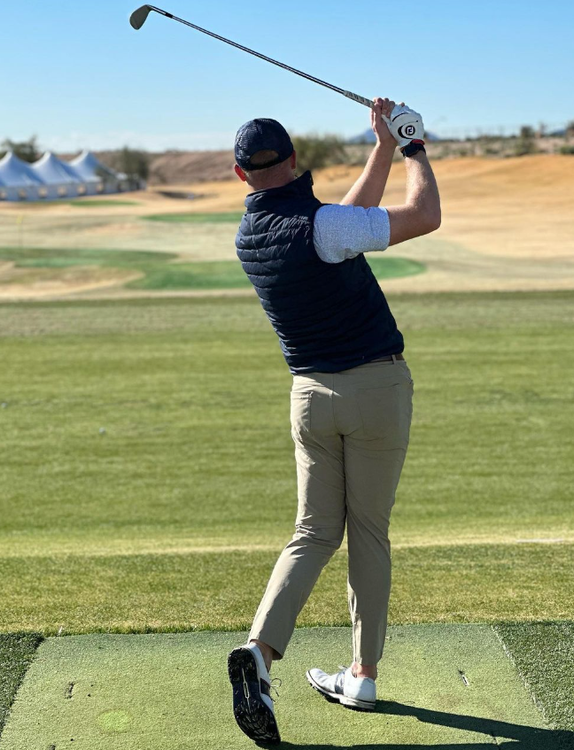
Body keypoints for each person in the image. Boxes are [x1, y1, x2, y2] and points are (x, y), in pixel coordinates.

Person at [227, 97, 441, 744]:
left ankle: (260, 654)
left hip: (310, 398)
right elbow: (423, 215)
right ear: (296, 161)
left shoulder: (251, 236)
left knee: (313, 531)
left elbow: (340, 223)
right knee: (368, 533)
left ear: (241, 176)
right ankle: (364, 674)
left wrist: (379, 148)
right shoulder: (323, 228)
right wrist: (414, 148)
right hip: (375, 389)